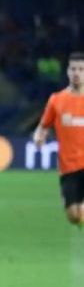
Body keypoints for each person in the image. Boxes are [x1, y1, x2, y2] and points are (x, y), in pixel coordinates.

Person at [33, 52, 84, 226]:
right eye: (73, 69)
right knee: (73, 217)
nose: (76, 73)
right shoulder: (57, 100)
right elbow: (43, 126)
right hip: (68, 166)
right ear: (68, 72)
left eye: (81, 69)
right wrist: (39, 137)